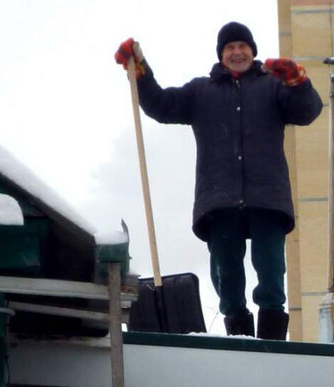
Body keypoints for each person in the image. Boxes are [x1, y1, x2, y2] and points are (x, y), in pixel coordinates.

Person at [114, 23, 323, 340]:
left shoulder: (272, 87)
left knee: (271, 274)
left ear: (253, 51)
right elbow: (160, 104)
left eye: (243, 46)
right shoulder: (202, 92)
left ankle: (271, 342)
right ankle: (239, 338)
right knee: (227, 278)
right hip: (220, 201)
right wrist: (140, 72)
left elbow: (307, 111)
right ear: (221, 55)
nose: (237, 52)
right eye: (230, 47)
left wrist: (297, 82)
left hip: (267, 198)